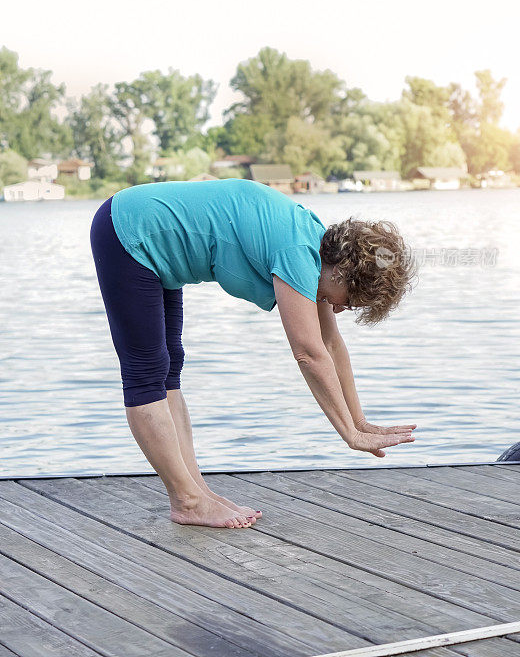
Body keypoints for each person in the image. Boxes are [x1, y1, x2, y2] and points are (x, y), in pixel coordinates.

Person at [90, 178, 417, 529]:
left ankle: (196, 490)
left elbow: (331, 344)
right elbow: (308, 353)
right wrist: (349, 435)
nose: (339, 310)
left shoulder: (314, 246)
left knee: (169, 368)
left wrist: (359, 420)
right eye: (349, 302)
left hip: (151, 240)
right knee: (146, 372)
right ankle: (186, 500)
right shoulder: (298, 253)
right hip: (130, 232)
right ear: (342, 272)